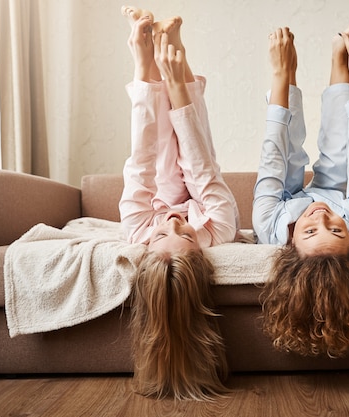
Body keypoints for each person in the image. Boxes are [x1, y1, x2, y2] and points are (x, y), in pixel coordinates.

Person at [119, 7, 239, 400]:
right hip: (201, 182)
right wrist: (178, 91)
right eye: (185, 234)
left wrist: (143, 70)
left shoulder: (137, 229)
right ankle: (176, 52)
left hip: (162, 179)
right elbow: (203, 167)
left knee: (161, 166)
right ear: (201, 253)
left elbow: (141, 156)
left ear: (145, 246)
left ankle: (154, 51)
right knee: (193, 149)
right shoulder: (221, 229)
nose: (172, 221)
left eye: (160, 235)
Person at [253, 20, 349, 358]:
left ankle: (290, 72)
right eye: (335, 230)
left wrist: (281, 74)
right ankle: (338, 62)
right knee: (341, 157)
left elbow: (274, 154)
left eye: (312, 231)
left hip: (285, 199)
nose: (322, 217)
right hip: (335, 188)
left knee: (288, 153)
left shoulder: (268, 226)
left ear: (290, 245)